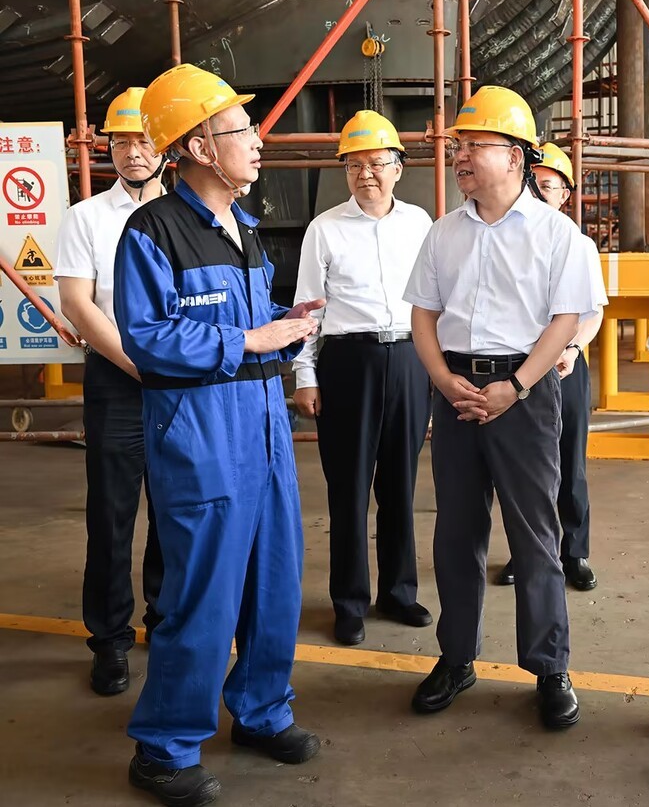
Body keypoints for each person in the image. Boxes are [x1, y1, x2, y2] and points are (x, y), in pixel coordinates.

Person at [113, 63, 324, 807]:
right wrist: (249, 339)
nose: (257, 141)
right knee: (202, 594)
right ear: (200, 147)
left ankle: (262, 711)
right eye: (241, 129)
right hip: (201, 435)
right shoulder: (152, 232)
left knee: (275, 581)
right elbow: (145, 337)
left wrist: (286, 325)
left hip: (263, 428)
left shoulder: (246, 228)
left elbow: (249, 324)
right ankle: (164, 748)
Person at [403, 86, 604, 729]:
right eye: (458, 146)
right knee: (456, 531)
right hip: (457, 393)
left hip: (526, 394)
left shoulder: (556, 234)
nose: (460, 156)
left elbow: (566, 320)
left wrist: (515, 387)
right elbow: (423, 315)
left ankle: (550, 666)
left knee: (535, 533)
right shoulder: (443, 233)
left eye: (474, 146)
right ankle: (456, 657)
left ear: (516, 156)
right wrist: (442, 379)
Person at [292, 110, 434, 646]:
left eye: (376, 163)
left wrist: (437, 369)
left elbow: (435, 302)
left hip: (410, 359)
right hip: (348, 363)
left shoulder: (420, 224)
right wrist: (305, 375)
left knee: (400, 484)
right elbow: (307, 310)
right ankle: (349, 602)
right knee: (348, 490)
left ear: (398, 167)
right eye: (353, 165)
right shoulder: (324, 228)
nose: (365, 173)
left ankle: (399, 591)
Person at [55, 87, 167, 697]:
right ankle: (110, 640)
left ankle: (165, 620)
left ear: (164, 146)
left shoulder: (186, 213)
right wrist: (139, 366)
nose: (132, 152)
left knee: (175, 509)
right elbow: (78, 302)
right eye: (121, 141)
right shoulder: (87, 217)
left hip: (179, 380)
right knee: (111, 514)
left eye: (143, 140)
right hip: (117, 379)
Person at [495, 142, 606, 591]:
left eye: (547, 185)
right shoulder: (508, 239)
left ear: (565, 193)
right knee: (523, 466)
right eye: (532, 183)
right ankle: (525, 551)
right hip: (518, 367)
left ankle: (574, 552)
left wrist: (572, 349)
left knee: (569, 461)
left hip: (564, 367)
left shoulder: (577, 243)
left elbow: (592, 312)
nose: (538, 192)